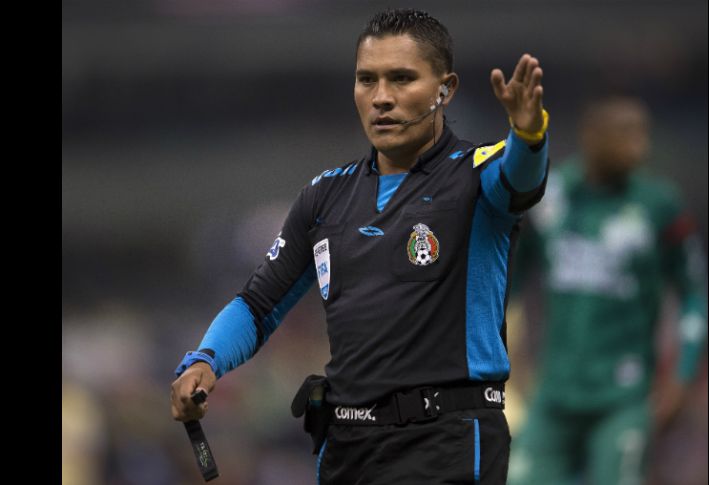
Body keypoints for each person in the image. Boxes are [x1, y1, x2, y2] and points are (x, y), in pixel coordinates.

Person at [171, 8, 550, 484]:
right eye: (367, 79)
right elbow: (257, 304)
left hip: (447, 442)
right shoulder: (325, 196)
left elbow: (521, 179)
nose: (381, 97)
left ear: (445, 88)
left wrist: (529, 135)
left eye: (401, 78)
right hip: (348, 448)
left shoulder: (477, 174)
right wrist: (205, 360)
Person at [506, 96, 708, 485]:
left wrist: (683, 375)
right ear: (590, 137)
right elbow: (510, 279)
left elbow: (693, 293)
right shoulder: (552, 197)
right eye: (625, 134)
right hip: (554, 392)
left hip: (623, 398)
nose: (639, 147)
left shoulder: (659, 206)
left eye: (641, 134)